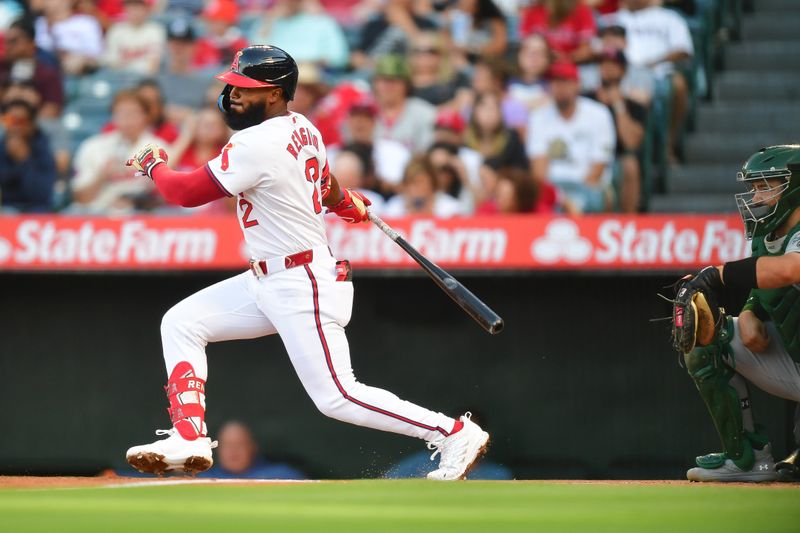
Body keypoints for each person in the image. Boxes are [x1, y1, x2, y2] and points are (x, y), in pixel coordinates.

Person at [123, 45, 490, 481]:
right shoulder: (302, 126)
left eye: (246, 88)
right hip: (268, 277)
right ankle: (189, 437)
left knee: (337, 397)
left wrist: (155, 165)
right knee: (181, 322)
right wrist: (341, 200)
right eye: (233, 86)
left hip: (301, 281)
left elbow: (183, 193)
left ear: (277, 94)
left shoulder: (255, 142)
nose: (234, 95)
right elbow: (325, 180)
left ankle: (453, 433)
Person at [674, 144, 800, 483]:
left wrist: (718, 274)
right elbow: (769, 284)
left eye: (767, 186)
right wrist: (748, 311)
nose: (756, 197)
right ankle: (747, 459)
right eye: (754, 187)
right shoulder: (769, 235)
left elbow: (792, 269)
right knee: (708, 338)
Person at [526, 61, 615, 214]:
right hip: (553, 186)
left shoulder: (599, 114)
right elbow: (539, 171)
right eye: (554, 82)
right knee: (538, 200)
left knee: (591, 199)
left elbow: (598, 167)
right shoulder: (538, 117)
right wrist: (560, 198)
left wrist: (573, 202)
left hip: (589, 186)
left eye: (564, 82)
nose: (559, 88)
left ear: (577, 85)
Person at [611, 0, 693, 162]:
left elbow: (684, 50)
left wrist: (653, 63)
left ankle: (667, 144)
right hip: (622, 74)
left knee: (678, 84)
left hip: (658, 74)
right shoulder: (616, 18)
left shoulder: (670, 17)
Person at [70, 89, 162, 213]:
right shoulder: (93, 146)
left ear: (145, 116)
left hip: (139, 216)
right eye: (121, 114)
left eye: (132, 113)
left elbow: (164, 197)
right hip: (95, 215)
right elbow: (80, 197)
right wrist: (103, 176)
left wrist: (136, 200)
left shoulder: (160, 149)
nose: (126, 120)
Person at [586, 49, 646, 213]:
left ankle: (628, 222)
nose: (608, 68)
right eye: (604, 63)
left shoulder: (633, 106)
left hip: (614, 160)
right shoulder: (584, 100)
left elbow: (631, 143)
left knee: (630, 165)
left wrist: (618, 105)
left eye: (614, 65)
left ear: (624, 70)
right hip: (585, 157)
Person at [247, 0, 349, 70]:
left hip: (312, 76)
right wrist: (269, 21)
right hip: (272, 72)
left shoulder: (322, 22)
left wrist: (311, 63)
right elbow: (253, 54)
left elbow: (339, 57)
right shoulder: (268, 22)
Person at [372, 54, 436, 155]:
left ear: (406, 85)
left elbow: (428, 152)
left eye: (394, 81)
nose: (389, 86)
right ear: (375, 83)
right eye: (384, 80)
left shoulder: (424, 113)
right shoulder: (363, 112)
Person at [0, 17, 63, 118]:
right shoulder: (2, 68)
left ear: (31, 44)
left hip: (35, 129)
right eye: (6, 42)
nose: (8, 47)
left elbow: (52, 113)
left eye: (14, 41)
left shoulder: (47, 75)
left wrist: (30, 107)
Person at [0, 99, 56, 212]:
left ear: (31, 124)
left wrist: (24, 160)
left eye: (19, 121)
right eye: (9, 121)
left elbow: (42, 195)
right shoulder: (2, 145)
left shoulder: (42, 148)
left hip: (35, 210)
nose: (14, 127)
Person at [200, 421, 306, 479]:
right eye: (227, 445)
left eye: (240, 444)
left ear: (252, 447)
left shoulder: (282, 475)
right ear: (217, 450)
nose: (233, 450)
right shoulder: (202, 480)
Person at [34, 0, 104, 75]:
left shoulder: (86, 22)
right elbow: (38, 49)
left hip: (81, 69)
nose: (49, 2)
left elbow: (96, 52)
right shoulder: (39, 24)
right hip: (49, 67)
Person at [382, 154, 463, 218]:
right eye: (409, 183)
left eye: (419, 182)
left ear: (432, 182)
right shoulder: (394, 207)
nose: (413, 188)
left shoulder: (450, 209)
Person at [518, 0, 596, 64]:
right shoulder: (532, 11)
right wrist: (548, 55)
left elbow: (586, 50)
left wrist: (565, 58)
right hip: (541, 67)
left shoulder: (581, 9)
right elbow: (526, 49)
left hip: (573, 67)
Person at [103, 0, 165, 76]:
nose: (133, 11)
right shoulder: (116, 30)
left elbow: (153, 65)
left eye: (137, 7)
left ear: (147, 9)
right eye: (130, 6)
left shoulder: (155, 30)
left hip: (145, 80)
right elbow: (112, 63)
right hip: (119, 79)